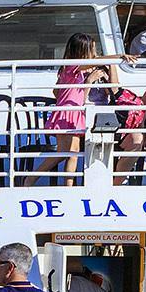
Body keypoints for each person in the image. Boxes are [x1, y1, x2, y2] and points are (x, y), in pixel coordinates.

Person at [36, 33, 113, 185]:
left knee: (71, 152)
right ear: (83, 51)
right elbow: (97, 62)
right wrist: (120, 56)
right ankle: (31, 179)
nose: (95, 53)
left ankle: (67, 186)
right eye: (92, 49)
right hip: (68, 113)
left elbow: (58, 92)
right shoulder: (71, 66)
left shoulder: (72, 71)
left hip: (74, 112)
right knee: (67, 152)